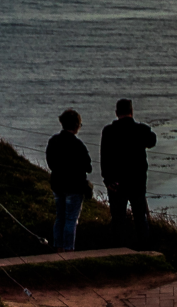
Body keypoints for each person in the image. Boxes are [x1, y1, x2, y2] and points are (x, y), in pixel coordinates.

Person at [100, 101, 157, 236]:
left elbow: (104, 157)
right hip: (137, 180)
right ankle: (143, 248)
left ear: (116, 113)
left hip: (116, 182)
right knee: (140, 217)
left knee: (118, 218)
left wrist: (107, 180)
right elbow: (152, 141)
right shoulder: (141, 130)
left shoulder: (109, 131)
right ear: (132, 111)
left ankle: (119, 248)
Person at [44, 110, 95, 250]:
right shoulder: (78, 145)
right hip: (74, 187)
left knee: (60, 218)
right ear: (76, 125)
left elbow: (50, 163)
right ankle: (68, 249)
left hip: (58, 185)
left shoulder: (53, 141)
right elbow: (88, 166)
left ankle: (57, 247)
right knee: (71, 220)